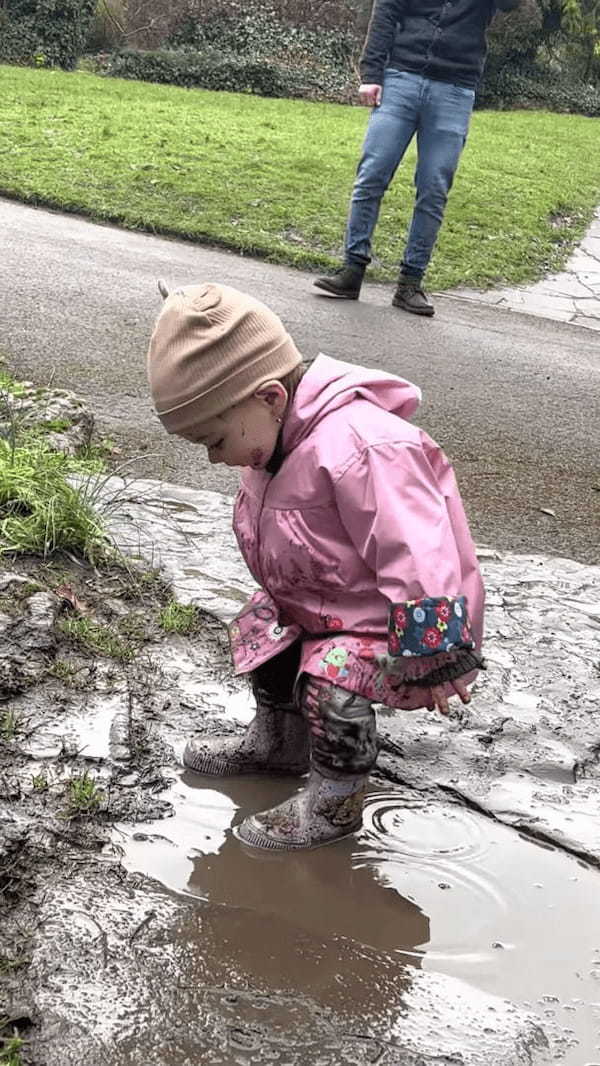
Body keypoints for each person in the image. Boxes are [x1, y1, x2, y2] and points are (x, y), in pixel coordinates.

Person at [147, 281, 485, 850]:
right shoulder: (274, 439)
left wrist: (435, 649)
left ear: (271, 397)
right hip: (323, 603)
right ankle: (278, 743)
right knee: (264, 627)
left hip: (393, 621)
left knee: (334, 679)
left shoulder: (364, 446)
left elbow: (419, 549)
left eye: (215, 439)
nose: (213, 457)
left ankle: (335, 799)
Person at [314, 0, 521, 316]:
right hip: (401, 79)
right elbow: (386, 11)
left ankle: (410, 283)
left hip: (455, 89)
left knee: (434, 188)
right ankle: (352, 271)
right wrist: (371, 72)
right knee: (372, 174)